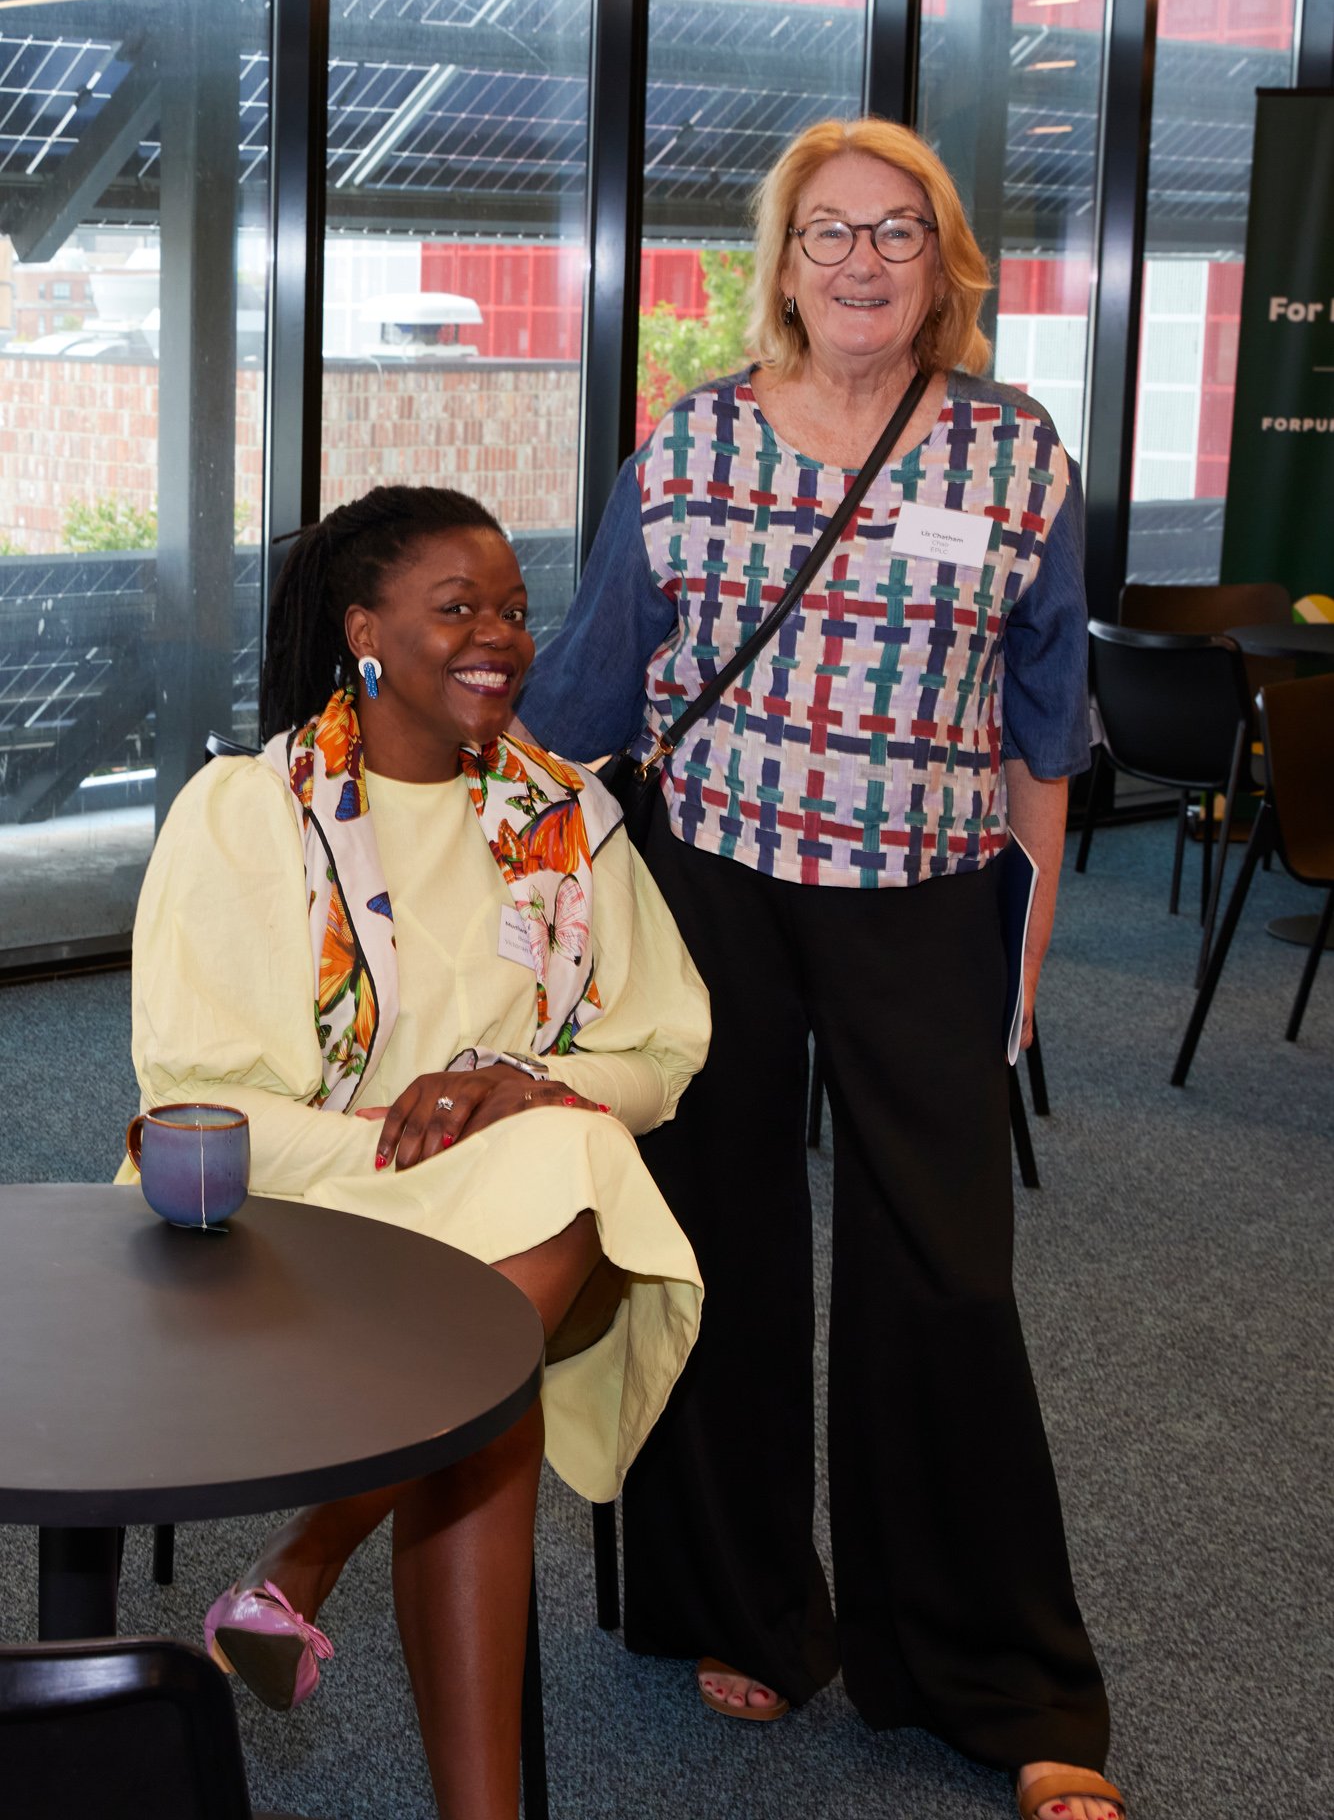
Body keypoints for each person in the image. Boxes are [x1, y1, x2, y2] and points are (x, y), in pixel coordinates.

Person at [517, 118, 1124, 1820]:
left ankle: (989, 1671)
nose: (860, 264)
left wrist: (1027, 954)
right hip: (712, 884)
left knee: (943, 1270)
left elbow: (1041, 732)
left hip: (923, 895)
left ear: (945, 266)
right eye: (826, 234)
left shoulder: (1016, 455)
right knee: (714, 1238)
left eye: (897, 234)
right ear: (779, 265)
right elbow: (585, 700)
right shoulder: (691, 441)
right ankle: (746, 1608)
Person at [124, 485, 708, 1820]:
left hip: (505, 1228)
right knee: (497, 1364)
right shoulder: (250, 811)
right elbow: (198, 1098)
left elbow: (666, 1044)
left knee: (564, 1154)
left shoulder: (566, 816)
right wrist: (404, 1144)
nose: (500, 635)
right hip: (288, 1201)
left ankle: (308, 1563)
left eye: (511, 608)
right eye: (458, 609)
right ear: (364, 628)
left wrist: (517, 1082)